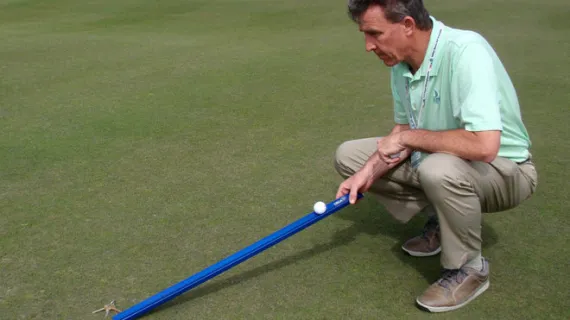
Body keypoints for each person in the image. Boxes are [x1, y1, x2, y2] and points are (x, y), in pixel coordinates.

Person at [334, 0, 538, 313]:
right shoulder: (401, 64)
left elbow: (485, 146)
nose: (368, 46)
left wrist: (406, 138)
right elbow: (404, 127)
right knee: (350, 156)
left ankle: (469, 269)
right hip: (446, 161)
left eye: (375, 33)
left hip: (507, 171)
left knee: (438, 169)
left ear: (407, 25)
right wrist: (367, 172)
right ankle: (444, 222)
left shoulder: (466, 51)